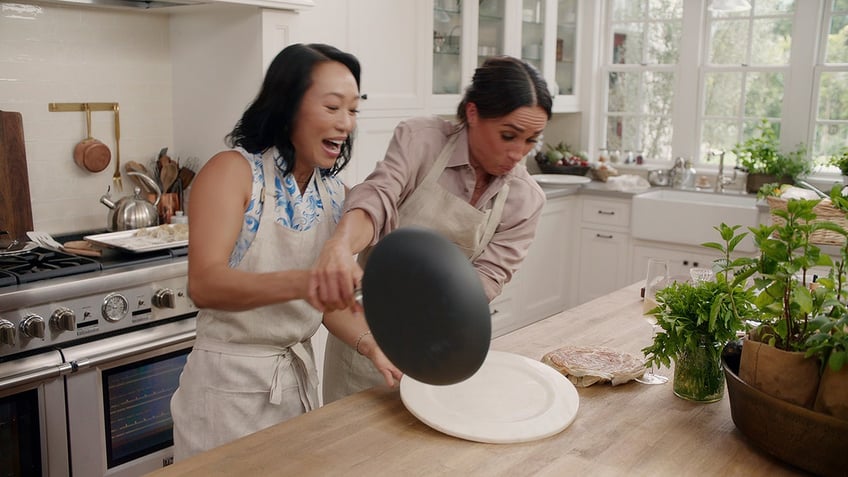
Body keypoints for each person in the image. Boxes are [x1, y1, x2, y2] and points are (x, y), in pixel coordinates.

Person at [170, 43, 402, 461]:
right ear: (287, 106)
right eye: (332, 107)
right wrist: (308, 282)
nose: (346, 123)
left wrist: (373, 346)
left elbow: (330, 304)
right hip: (226, 392)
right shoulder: (232, 172)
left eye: (353, 110)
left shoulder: (334, 194)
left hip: (296, 386)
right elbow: (205, 284)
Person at [312, 55, 553, 404]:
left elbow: (486, 279)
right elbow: (378, 199)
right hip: (364, 332)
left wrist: (428, 334)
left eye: (532, 140)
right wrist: (340, 245)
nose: (518, 152)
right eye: (508, 135)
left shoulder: (526, 199)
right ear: (472, 113)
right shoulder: (421, 141)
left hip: (439, 346)